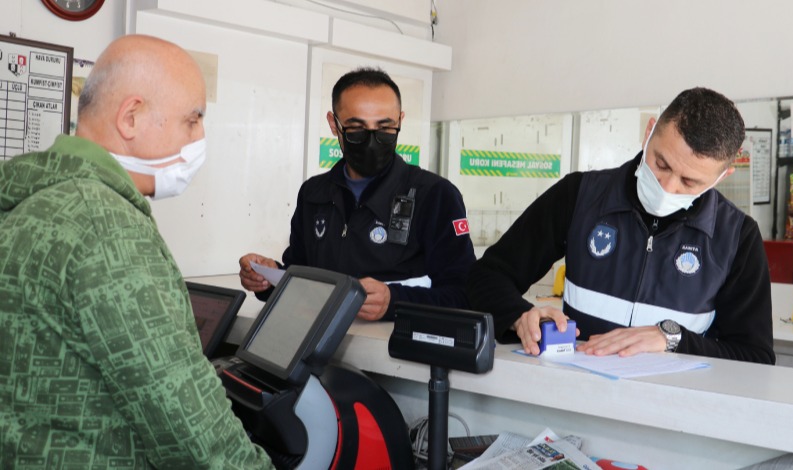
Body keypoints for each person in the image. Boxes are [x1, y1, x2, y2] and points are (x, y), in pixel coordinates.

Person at [0, 35, 273, 468]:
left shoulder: (32, 201)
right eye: (193, 119)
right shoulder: (104, 225)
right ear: (131, 117)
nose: (200, 136)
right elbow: (185, 420)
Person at [467, 87, 775, 365]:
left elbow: (755, 357)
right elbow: (488, 277)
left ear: (723, 177)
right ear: (650, 132)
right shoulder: (579, 195)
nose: (667, 186)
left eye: (689, 181)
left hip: (672, 414)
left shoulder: (737, 237)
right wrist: (519, 316)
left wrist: (673, 339)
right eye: (661, 163)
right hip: (573, 399)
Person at [239, 67, 475, 321]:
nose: (372, 141)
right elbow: (302, 277)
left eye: (385, 127)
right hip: (318, 344)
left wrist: (394, 302)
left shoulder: (436, 196)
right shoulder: (314, 193)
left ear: (400, 122)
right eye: (356, 128)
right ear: (334, 124)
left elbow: (464, 294)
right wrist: (270, 277)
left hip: (393, 353)